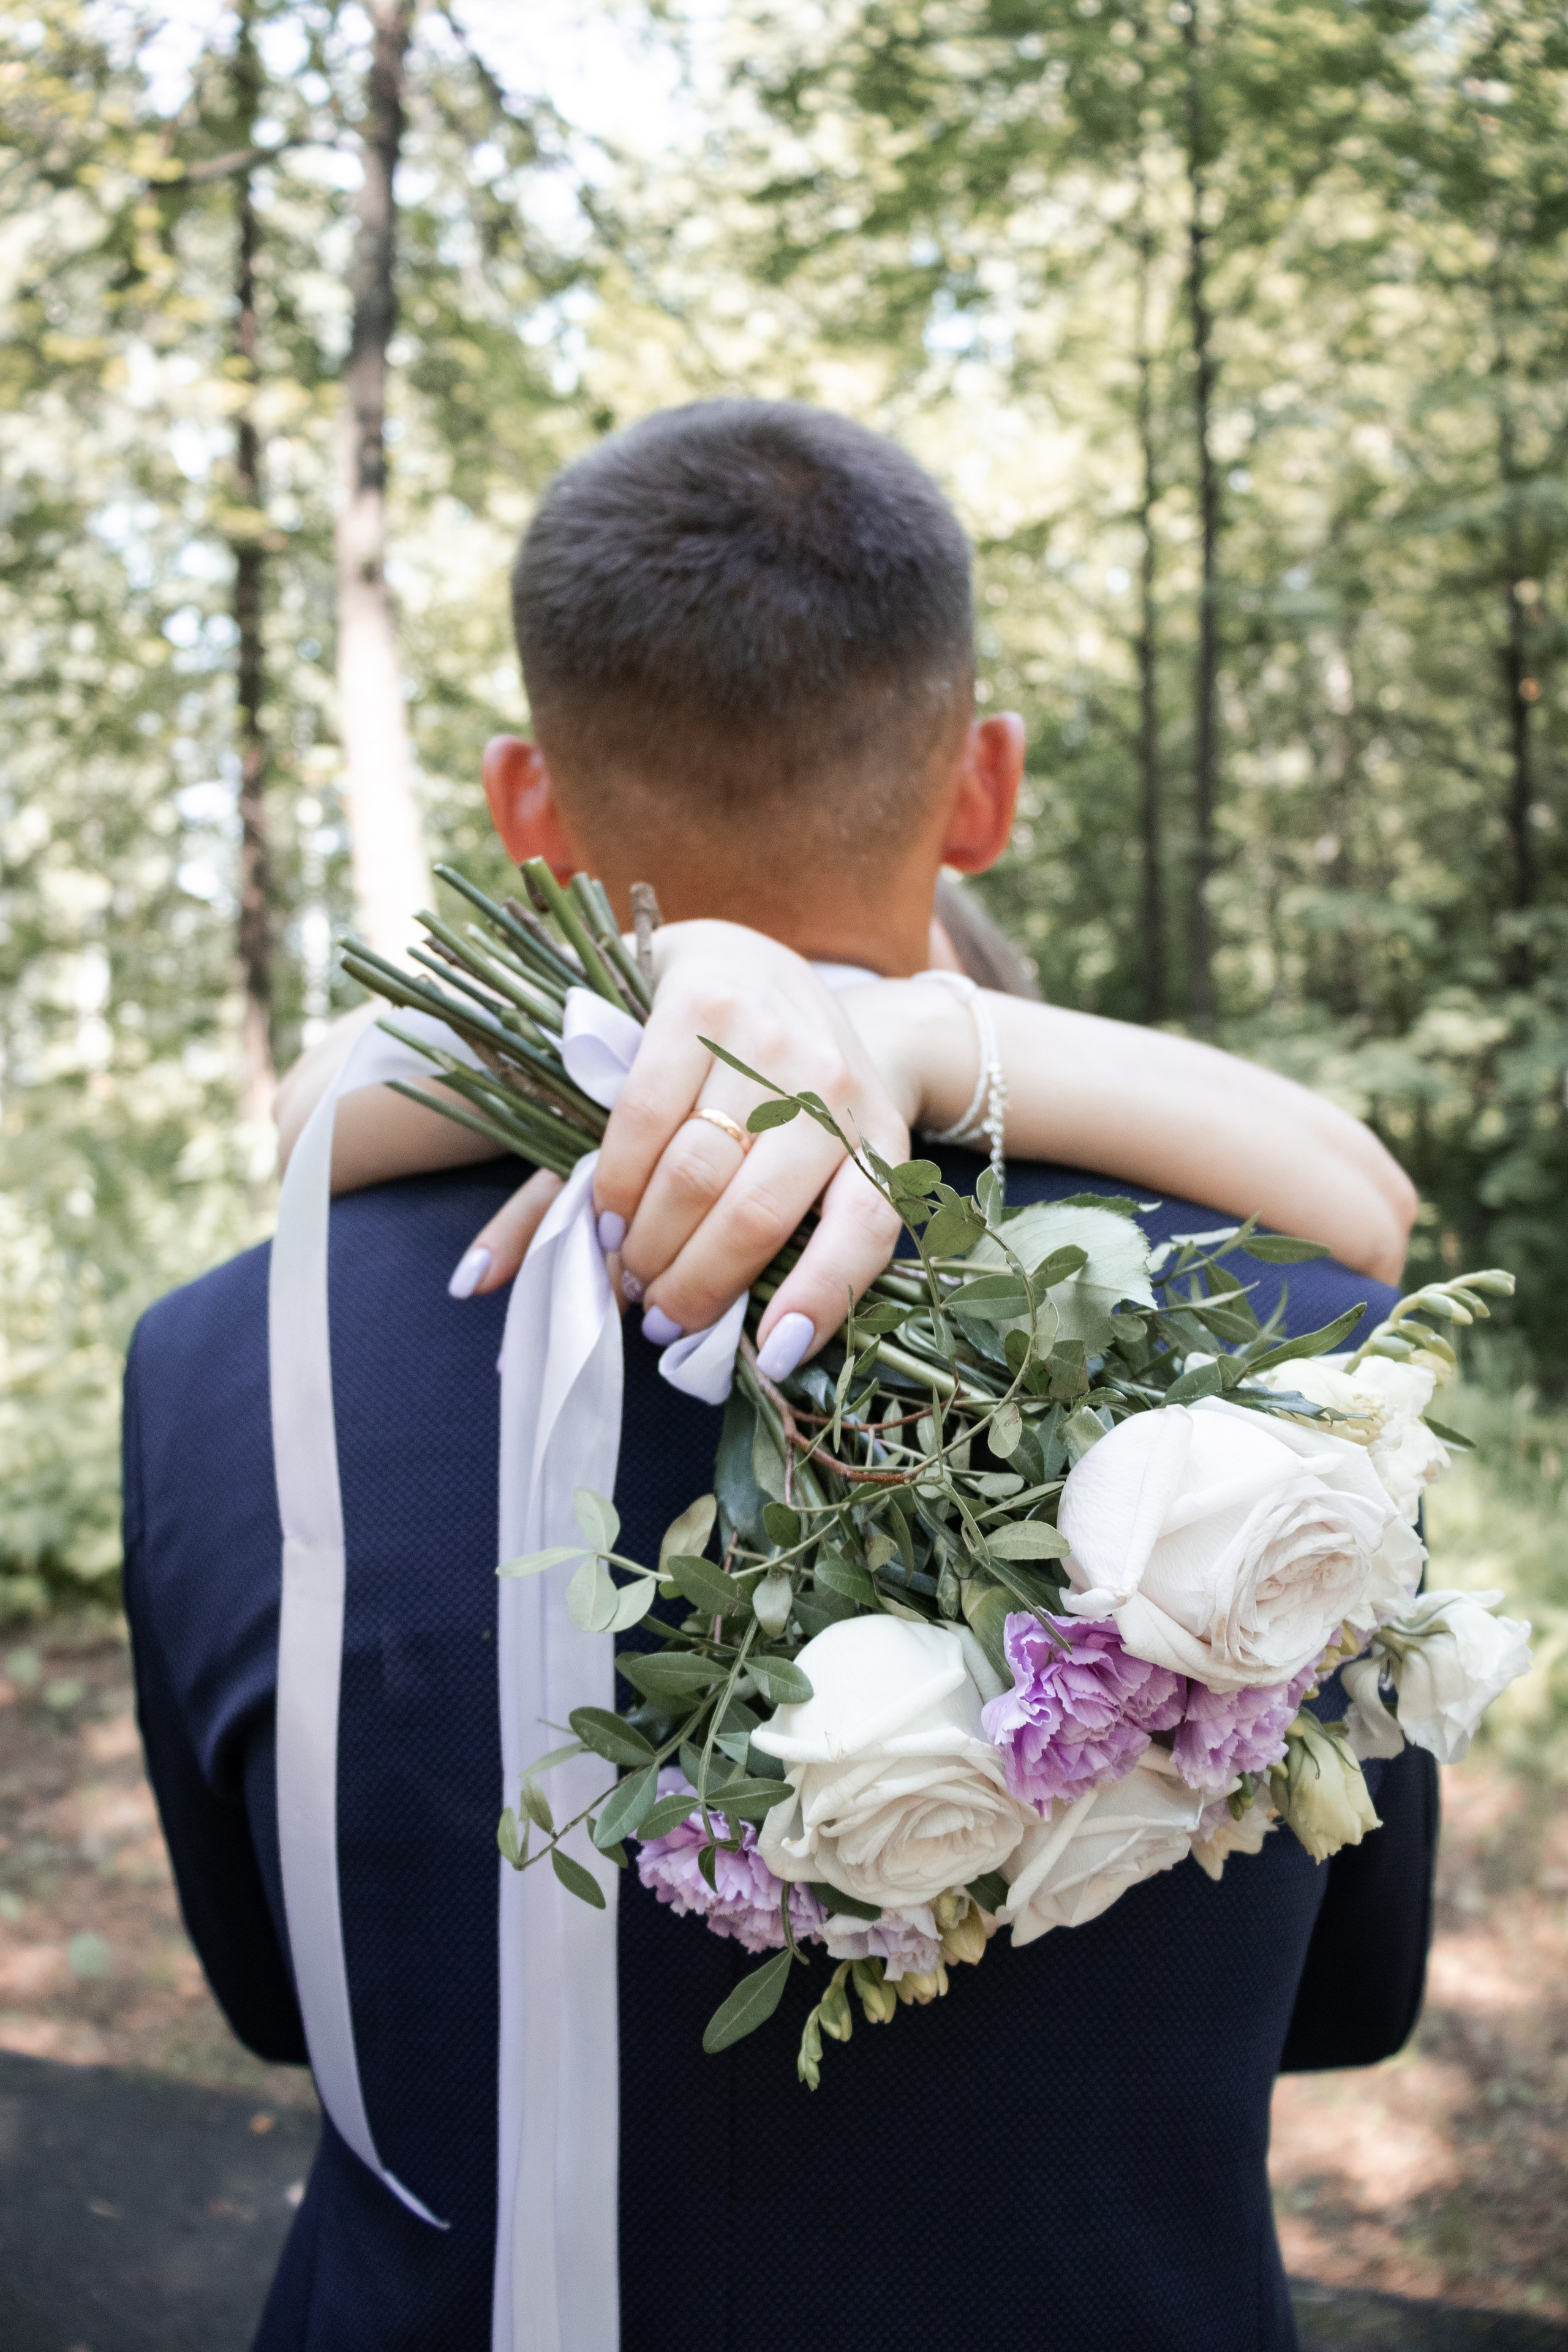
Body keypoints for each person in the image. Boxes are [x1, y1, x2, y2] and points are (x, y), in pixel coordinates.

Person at [124, 401, 1428, 2352]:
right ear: (982, 786)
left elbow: (268, 1994)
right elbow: (1354, 2001)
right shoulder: (1297, 1330)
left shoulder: (225, 1356)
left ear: (524, 806)